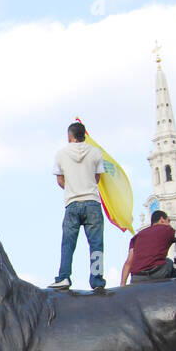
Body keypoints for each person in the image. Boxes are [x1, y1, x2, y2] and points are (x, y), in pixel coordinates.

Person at [50, 121, 106, 291]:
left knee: (68, 243)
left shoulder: (61, 154)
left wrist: (72, 186)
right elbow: (97, 178)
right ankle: (97, 280)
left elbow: (60, 180)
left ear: (70, 137)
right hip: (92, 203)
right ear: (84, 136)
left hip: (72, 203)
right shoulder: (96, 152)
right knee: (96, 244)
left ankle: (64, 277)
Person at [120, 210, 176, 284]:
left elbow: (129, 262)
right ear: (162, 219)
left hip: (137, 277)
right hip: (157, 273)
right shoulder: (167, 229)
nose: (169, 224)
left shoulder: (137, 236)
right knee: (169, 262)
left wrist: (122, 284)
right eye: (168, 221)